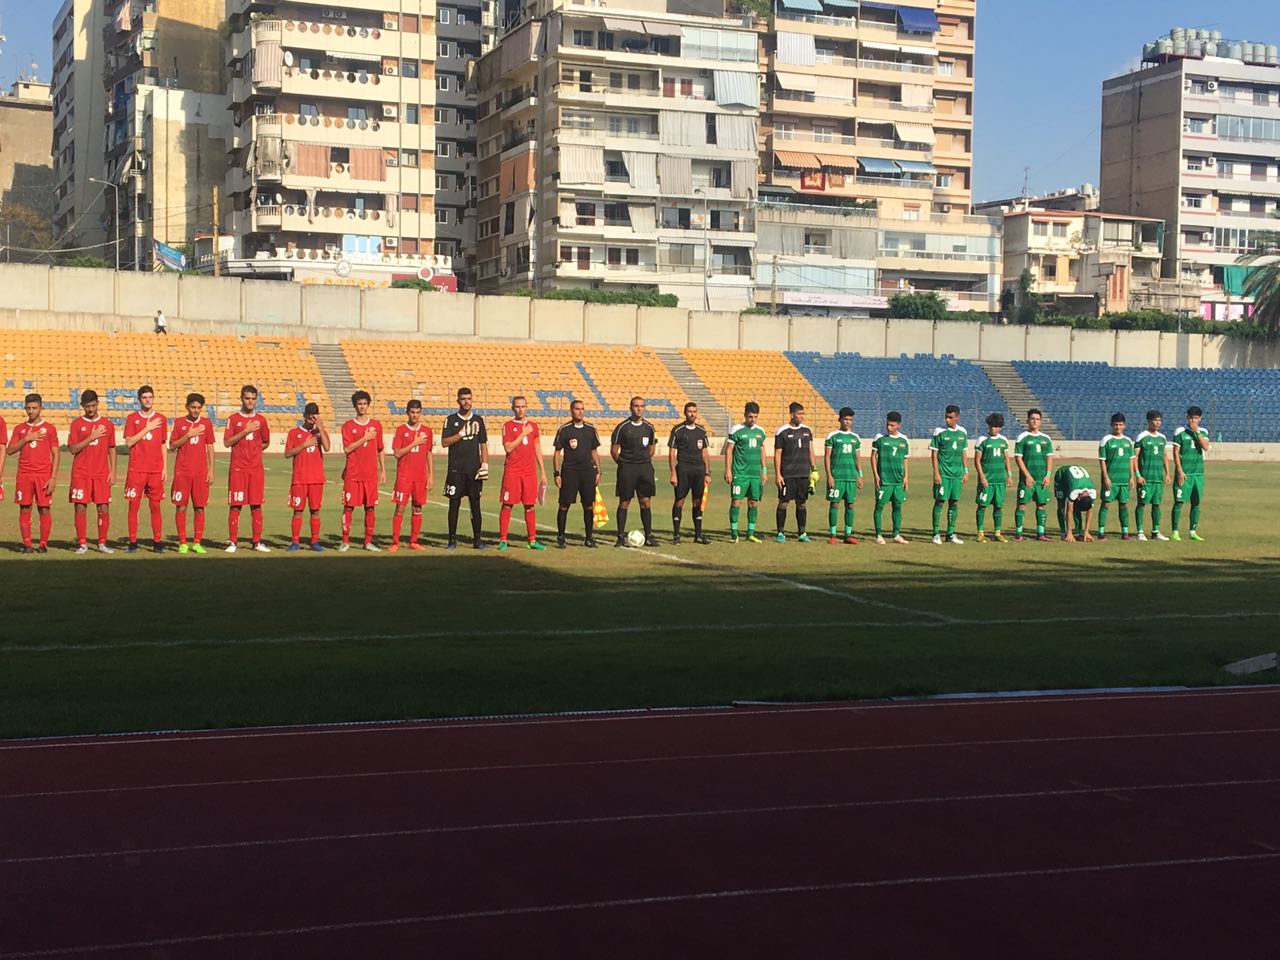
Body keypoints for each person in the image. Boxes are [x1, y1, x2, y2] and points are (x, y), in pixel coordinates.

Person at [67, 389, 117, 554]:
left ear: (98, 404)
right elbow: (73, 449)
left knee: (103, 508)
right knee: (80, 508)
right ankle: (82, 544)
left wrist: (113, 471)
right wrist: (92, 436)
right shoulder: (76, 424)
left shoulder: (108, 425)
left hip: (101, 473)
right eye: (87, 406)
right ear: (82, 406)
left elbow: (111, 448)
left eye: (93, 405)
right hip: (81, 473)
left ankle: (102, 543)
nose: (90, 409)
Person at [7, 394, 58, 553]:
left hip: (43, 475)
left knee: (44, 509)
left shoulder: (49, 428)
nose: (31, 411)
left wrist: (53, 477)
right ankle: (27, 544)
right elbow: (9, 450)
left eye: (34, 408)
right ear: (25, 408)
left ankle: (43, 544)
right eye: (28, 408)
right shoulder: (19, 429)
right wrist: (26, 439)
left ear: (40, 408)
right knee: (24, 508)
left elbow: (56, 454)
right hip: (24, 475)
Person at [223, 384, 271, 553]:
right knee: (235, 505)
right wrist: (245, 431)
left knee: (256, 505)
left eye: (252, 399)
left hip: (256, 469)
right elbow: (227, 442)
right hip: (238, 469)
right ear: (241, 399)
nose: (250, 401)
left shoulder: (262, 420)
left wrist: (255, 451)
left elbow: (265, 442)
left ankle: (257, 542)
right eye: (247, 398)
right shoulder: (233, 419)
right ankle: (233, 542)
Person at [497, 395, 547, 551]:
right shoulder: (508, 426)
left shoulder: (533, 426)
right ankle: (503, 539)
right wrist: (523, 434)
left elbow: (537, 448)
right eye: (517, 406)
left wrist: (543, 472)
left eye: (523, 406)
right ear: (513, 408)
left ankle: (532, 540)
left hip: (529, 472)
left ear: (527, 407)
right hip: (512, 471)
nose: (520, 409)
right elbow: (508, 448)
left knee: (530, 505)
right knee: (507, 504)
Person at [123, 385, 168, 553]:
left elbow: (163, 444)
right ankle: (133, 542)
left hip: (155, 470)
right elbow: (129, 442)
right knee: (133, 506)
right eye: (144, 397)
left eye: (150, 397)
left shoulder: (161, 419)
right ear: (139, 399)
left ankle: (157, 542)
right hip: (136, 470)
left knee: (155, 507)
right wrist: (147, 428)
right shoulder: (132, 418)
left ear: (153, 398)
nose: (148, 400)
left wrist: (165, 468)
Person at [441, 386, 488, 550]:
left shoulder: (479, 420)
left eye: (469, 398)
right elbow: (445, 442)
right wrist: (460, 434)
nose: (466, 402)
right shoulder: (450, 420)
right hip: (456, 470)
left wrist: (485, 464)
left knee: (475, 505)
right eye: (463, 399)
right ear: (458, 401)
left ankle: (478, 540)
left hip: (474, 470)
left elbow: (483, 444)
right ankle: (452, 540)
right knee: (454, 505)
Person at [168, 392, 215, 554]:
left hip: (200, 473)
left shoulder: (206, 424)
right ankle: (182, 543)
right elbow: (172, 445)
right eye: (193, 407)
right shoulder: (179, 423)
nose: (195, 410)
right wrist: (188, 435)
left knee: (199, 508)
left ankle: (196, 542)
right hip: (182, 472)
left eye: (198, 408)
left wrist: (211, 470)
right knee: (181, 507)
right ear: (187, 406)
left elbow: (210, 447)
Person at [339, 390, 385, 552]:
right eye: (359, 404)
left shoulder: (376, 425)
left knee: (370, 508)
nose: (362, 407)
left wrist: (383, 470)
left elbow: (380, 449)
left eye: (365, 404)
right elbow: (347, 449)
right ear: (355, 406)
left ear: (368, 405)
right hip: (352, 474)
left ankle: (368, 541)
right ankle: (345, 541)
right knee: (348, 507)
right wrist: (364, 438)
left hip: (370, 475)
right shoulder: (348, 426)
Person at [610, 396, 658, 547]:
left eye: (642, 406)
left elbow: (651, 448)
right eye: (636, 406)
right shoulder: (622, 427)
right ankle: (620, 537)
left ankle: (649, 535)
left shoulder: (649, 427)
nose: (639, 408)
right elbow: (614, 450)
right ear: (630, 408)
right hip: (627, 469)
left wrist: (642, 461)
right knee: (625, 501)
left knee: (645, 501)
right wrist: (624, 464)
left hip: (644, 468)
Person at [554, 399, 602, 548]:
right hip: (570, 472)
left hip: (588, 472)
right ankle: (561, 537)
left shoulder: (590, 429)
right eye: (576, 409)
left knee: (588, 505)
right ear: (571, 411)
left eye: (582, 408)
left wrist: (598, 471)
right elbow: (557, 452)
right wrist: (557, 473)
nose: (580, 411)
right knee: (564, 505)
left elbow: (594, 451)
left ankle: (589, 538)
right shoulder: (565, 429)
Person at [285, 402, 331, 552]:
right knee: (297, 510)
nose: (312, 419)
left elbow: (327, 447)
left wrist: (321, 428)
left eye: (315, 416)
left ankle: (314, 541)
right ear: (304, 416)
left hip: (316, 479)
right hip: (299, 478)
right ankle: (295, 542)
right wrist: (304, 445)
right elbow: (288, 453)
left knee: (315, 510)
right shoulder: (294, 433)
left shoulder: (320, 432)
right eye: (310, 416)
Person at [389, 399, 434, 552]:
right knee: (400, 508)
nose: (415, 415)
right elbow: (397, 453)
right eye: (412, 412)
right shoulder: (401, 430)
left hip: (420, 477)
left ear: (421, 412)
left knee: (417, 508)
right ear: (407, 412)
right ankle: (395, 542)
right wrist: (415, 443)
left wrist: (431, 475)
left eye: (417, 412)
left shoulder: (427, 431)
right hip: (404, 475)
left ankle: (413, 541)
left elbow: (428, 453)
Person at [724, 401, 767, 543]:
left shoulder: (761, 431)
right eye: (750, 416)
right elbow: (729, 451)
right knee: (736, 502)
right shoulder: (736, 430)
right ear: (744, 415)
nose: (752, 419)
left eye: (755, 416)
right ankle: (734, 533)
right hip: (740, 473)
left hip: (755, 474)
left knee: (754, 503)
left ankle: (750, 533)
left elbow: (762, 449)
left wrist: (764, 470)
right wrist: (728, 470)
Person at [668, 402, 710, 545]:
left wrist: (707, 473)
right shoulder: (678, 430)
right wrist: (673, 473)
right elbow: (672, 453)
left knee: (697, 501)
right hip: (683, 470)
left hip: (698, 470)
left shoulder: (701, 431)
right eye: (689, 411)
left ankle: (698, 535)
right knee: (679, 500)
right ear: (685, 413)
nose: (692, 414)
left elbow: (705, 453)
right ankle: (676, 535)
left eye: (694, 411)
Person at [775, 402, 816, 543]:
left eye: (803, 413)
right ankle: (780, 532)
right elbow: (778, 453)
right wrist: (778, 474)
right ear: (792, 414)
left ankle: (802, 533)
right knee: (784, 502)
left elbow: (811, 450)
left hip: (803, 473)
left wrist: (814, 469)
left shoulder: (807, 431)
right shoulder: (782, 431)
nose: (802, 416)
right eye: (799, 414)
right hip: (787, 474)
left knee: (802, 503)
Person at [930, 404, 968, 545]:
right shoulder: (939, 432)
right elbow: (934, 454)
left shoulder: (962, 432)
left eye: (950, 417)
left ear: (957, 417)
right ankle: (936, 533)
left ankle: (950, 534)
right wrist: (936, 473)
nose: (947, 420)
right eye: (946, 417)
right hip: (943, 474)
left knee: (954, 502)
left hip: (957, 475)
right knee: (940, 501)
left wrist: (966, 471)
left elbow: (964, 452)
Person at [1171, 405, 1211, 542]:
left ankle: (1193, 531)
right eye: (1191, 417)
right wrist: (1180, 471)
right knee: (1179, 502)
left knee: (1196, 503)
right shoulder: (1180, 432)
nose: (1193, 420)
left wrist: (1197, 432)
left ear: (1200, 419)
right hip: (1185, 473)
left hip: (1198, 474)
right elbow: (1175, 453)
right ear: (1187, 417)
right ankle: (1175, 531)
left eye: (1196, 418)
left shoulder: (1204, 432)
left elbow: (1205, 447)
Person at [1014, 408, 1054, 542]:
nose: (1035, 421)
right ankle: (1019, 534)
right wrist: (1027, 475)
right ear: (1027, 421)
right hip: (1027, 479)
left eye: (1037, 419)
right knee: (1022, 505)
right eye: (1032, 419)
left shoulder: (1046, 439)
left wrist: (1048, 475)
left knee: (1041, 505)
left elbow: (1049, 457)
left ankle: (1041, 533)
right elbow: (1018, 458)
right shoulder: (1022, 437)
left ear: (1040, 421)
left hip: (1041, 479)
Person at [824, 407, 862, 545]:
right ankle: (833, 534)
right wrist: (829, 475)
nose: (848, 422)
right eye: (845, 419)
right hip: (837, 477)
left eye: (850, 420)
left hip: (851, 477)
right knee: (835, 504)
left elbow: (858, 459)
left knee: (850, 505)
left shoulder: (855, 438)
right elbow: (827, 457)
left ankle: (848, 535)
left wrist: (860, 475)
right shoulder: (832, 436)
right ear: (839, 419)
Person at [870, 411, 909, 545]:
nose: (888, 427)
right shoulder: (880, 438)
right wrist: (876, 475)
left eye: (892, 425)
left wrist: (906, 477)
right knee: (879, 506)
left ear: (898, 425)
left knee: (897, 506)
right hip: (884, 480)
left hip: (898, 481)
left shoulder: (904, 440)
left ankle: (896, 534)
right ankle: (879, 535)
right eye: (887, 424)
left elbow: (905, 460)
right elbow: (873, 457)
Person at [973, 413, 1011, 543]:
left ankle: (998, 532)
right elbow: (977, 460)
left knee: (998, 506)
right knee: (982, 506)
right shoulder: (982, 439)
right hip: (987, 481)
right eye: (991, 426)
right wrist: (982, 477)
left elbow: (1006, 459)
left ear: (1000, 427)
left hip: (1000, 480)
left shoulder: (1003, 440)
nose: (992, 429)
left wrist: (1009, 475)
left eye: (995, 427)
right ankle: (980, 532)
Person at [1098, 413, 1136, 540]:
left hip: (1124, 480)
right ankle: (1101, 531)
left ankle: (1125, 532)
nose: (1118, 427)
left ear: (1124, 425)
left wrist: (1131, 477)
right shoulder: (1106, 440)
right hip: (1111, 480)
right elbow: (1102, 460)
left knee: (1123, 505)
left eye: (1120, 425)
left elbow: (1131, 459)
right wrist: (1106, 477)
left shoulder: (1128, 441)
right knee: (1106, 504)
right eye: (1115, 425)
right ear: (1111, 425)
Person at [1134, 409, 1170, 542]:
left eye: (1160, 420)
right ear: (1149, 421)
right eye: (1155, 420)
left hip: (1157, 478)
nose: (1158, 423)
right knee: (1142, 504)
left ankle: (1155, 531)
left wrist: (1167, 473)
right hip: (1145, 478)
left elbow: (1165, 456)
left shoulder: (1162, 438)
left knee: (1157, 505)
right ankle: (1140, 531)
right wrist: (1138, 474)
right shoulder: (1142, 437)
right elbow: (1135, 457)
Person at [1054, 464, 1097, 542]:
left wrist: (1086, 532)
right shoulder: (1074, 491)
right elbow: (1069, 511)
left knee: (1076, 508)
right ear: (1079, 497)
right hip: (1061, 476)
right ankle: (1063, 532)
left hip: (1075, 481)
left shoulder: (1092, 492)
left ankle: (1079, 532)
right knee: (1061, 505)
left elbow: (1089, 512)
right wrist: (1069, 533)